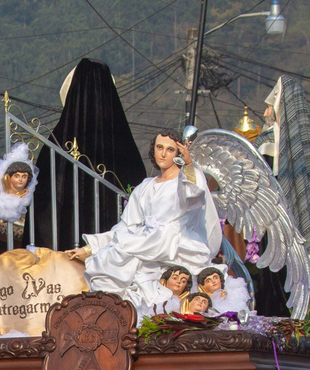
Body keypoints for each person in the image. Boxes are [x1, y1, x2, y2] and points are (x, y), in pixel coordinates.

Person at [64, 133, 215, 319]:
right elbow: (126, 226)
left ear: (178, 153)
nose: (163, 154)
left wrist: (189, 165)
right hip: (144, 240)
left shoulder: (182, 183)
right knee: (109, 258)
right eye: (159, 148)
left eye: (170, 150)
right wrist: (91, 248)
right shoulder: (145, 187)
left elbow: (194, 193)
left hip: (172, 242)